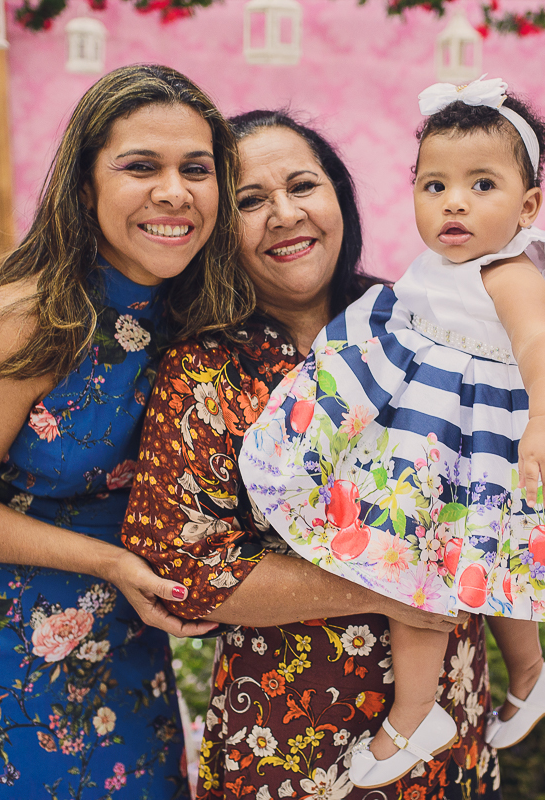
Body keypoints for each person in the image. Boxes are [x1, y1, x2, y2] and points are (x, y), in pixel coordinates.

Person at [238, 77, 545, 787]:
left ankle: (413, 718)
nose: (455, 202)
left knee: (423, 577)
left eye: (481, 184)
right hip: (444, 441)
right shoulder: (441, 269)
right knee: (488, 572)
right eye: (434, 185)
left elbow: (542, 344)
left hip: (477, 445)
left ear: (528, 207)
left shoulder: (509, 270)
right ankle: (530, 676)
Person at [122, 111, 502, 799]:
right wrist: (392, 584)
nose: (285, 214)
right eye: (250, 201)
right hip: (291, 739)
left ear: (340, 200)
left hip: (452, 717)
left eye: (303, 185)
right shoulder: (206, 369)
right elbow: (185, 564)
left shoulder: (421, 320)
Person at [0, 64, 235, 800]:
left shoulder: (198, 317)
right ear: (85, 187)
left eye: (196, 170)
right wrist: (109, 563)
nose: (175, 192)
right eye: (142, 166)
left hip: (124, 651)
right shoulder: (21, 319)